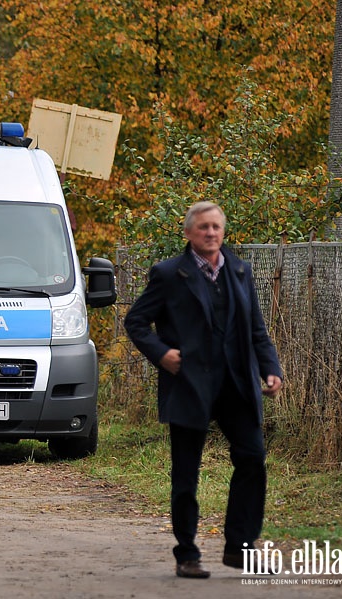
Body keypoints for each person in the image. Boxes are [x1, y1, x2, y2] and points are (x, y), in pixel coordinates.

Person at [123, 201, 283, 579]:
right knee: (186, 473)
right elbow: (136, 321)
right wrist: (162, 354)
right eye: (203, 227)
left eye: (216, 227)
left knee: (252, 458)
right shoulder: (168, 274)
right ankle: (187, 552)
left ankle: (240, 547)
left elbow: (256, 329)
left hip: (236, 384)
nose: (211, 233)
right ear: (189, 233)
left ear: (223, 231)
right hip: (190, 385)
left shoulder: (240, 271)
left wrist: (270, 368)